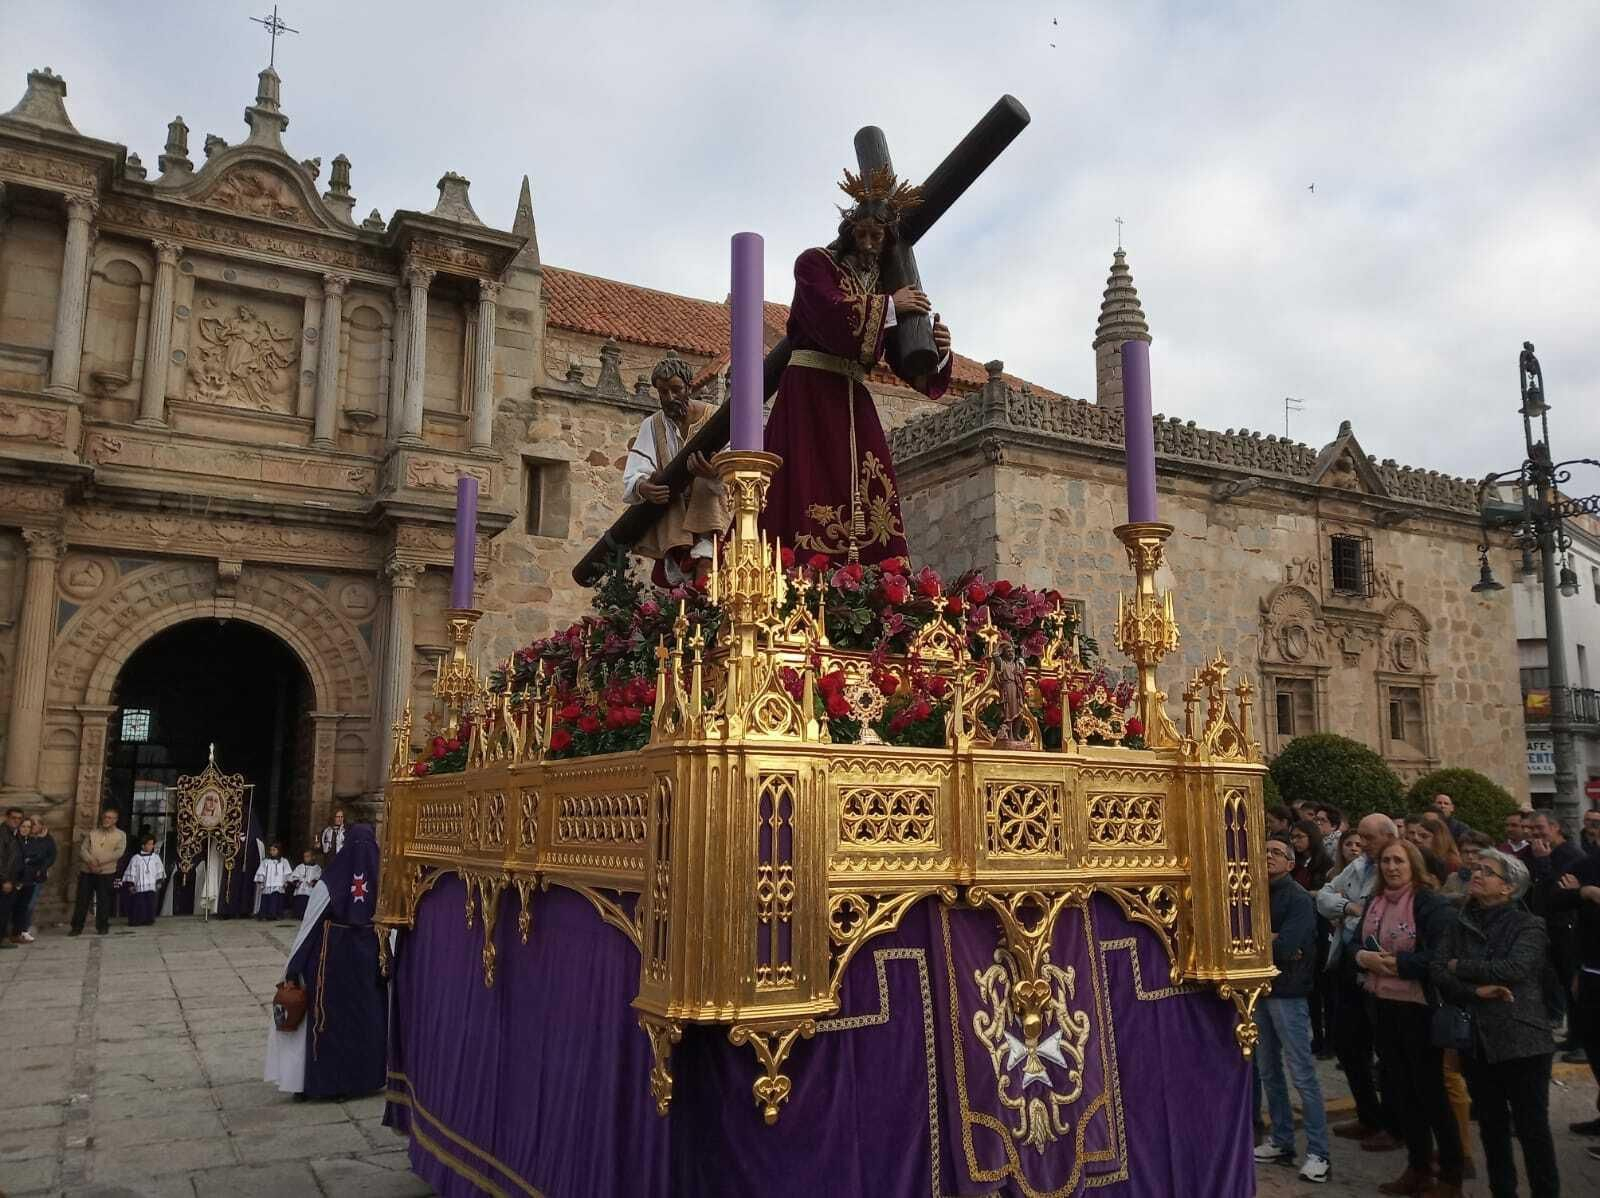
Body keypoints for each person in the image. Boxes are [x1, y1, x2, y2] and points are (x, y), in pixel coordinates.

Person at [759, 166, 953, 566]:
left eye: (877, 237)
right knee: (806, 480)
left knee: (873, 485)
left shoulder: (886, 285)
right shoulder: (814, 264)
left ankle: (878, 584)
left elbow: (907, 364)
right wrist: (890, 307)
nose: (867, 244)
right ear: (848, 231)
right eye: (861, 234)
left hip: (853, 394)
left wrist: (937, 349)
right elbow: (829, 315)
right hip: (808, 391)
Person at [1430, 849, 1559, 1198]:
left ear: (1508, 887)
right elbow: (1437, 969)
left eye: (1487, 871)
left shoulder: (1529, 924)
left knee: (1532, 1128)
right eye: (1476, 869)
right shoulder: (1459, 920)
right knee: (1491, 1125)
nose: (1477, 874)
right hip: (1477, 1037)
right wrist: (1475, 990)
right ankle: (1504, 1191)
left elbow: (1515, 969)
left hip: (1522, 1039)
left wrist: (1462, 967)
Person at [1353, 839, 1464, 1196]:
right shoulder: (1375, 902)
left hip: (1419, 1008)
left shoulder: (1430, 904)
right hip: (1383, 1005)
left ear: (1413, 865)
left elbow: (1439, 957)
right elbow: (1356, 943)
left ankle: (1450, 1174)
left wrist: (1398, 965)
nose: (1391, 867)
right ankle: (1417, 1167)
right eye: (1385, 861)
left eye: (1398, 861)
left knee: (1430, 1092)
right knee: (1400, 1090)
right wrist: (1363, 959)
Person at [264, 824, 387, 1099]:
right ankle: (358, 1080)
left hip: (328, 962)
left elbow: (308, 928)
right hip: (365, 965)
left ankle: (321, 1082)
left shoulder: (330, 882)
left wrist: (293, 967)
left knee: (328, 1023)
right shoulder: (384, 884)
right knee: (358, 1021)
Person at [1316, 813, 1400, 1148]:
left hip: (1377, 964)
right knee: (1349, 1044)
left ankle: (1395, 1126)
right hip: (1348, 960)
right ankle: (1369, 1115)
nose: (1361, 844)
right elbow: (1324, 896)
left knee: (1386, 1050)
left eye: (1368, 838)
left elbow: (1370, 909)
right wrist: (1346, 906)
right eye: (1359, 838)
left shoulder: (1393, 865)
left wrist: (1349, 908)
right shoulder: (1359, 866)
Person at [1252, 836, 1332, 1183]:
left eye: (1277, 853)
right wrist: (1267, 939)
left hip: (1289, 993)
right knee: (1268, 1070)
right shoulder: (1252, 891)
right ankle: (1282, 1140)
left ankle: (1318, 1152)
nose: (1269, 856)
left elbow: (1287, 947)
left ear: (1290, 863)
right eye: (1265, 851)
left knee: (1301, 1073)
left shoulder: (1298, 898)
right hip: (1263, 990)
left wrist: (1262, 941)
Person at [621, 352, 728, 586]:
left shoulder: (715, 417)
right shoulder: (653, 425)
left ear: (689, 387)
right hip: (674, 516)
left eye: (676, 389)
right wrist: (644, 487)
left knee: (707, 566)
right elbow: (636, 471)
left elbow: (734, 464)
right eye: (663, 392)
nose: (670, 397)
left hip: (714, 509)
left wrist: (713, 472)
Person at [1553, 850, 1600, 1139]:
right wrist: (1587, 891)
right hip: (1590, 973)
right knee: (1595, 1048)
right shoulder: (1589, 863)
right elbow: (1553, 899)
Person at [70, 807, 126, 936]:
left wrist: (99, 861)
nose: (106, 820)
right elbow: (84, 849)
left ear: (115, 820)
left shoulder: (120, 835)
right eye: (105, 817)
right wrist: (91, 862)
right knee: (82, 900)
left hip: (106, 872)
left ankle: (102, 926)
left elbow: (118, 852)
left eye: (110, 818)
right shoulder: (93, 833)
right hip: (88, 871)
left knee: (104, 900)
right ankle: (77, 927)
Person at [16, 815, 56, 942]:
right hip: (21, 876)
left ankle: (24, 929)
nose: (32, 826)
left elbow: (50, 856)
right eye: (29, 824)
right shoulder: (22, 838)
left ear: (41, 825)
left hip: (36, 877)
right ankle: (17, 930)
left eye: (34, 824)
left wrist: (42, 868)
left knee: (29, 904)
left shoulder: (47, 839)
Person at [120, 834, 166, 927]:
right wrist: (131, 884)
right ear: (143, 845)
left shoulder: (155, 857)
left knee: (151, 903)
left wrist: (159, 881)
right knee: (139, 903)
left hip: (151, 886)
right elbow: (131, 871)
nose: (151, 846)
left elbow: (159, 870)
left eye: (152, 844)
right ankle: (137, 920)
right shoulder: (136, 858)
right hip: (140, 886)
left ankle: (149, 919)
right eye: (148, 844)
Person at [0, 808, 21, 950]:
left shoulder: (13, 834)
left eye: (19, 818)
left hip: (12, 879)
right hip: (5, 880)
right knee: (2, 910)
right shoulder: (3, 834)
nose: (16, 821)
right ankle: (2, 939)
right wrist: (4, 880)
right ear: (6, 817)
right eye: (14, 817)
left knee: (6, 910)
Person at [255, 842, 292, 920]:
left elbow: (287, 872)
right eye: (271, 850)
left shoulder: (284, 861)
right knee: (267, 899)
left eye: (274, 850)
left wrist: (286, 881)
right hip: (268, 885)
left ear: (279, 851)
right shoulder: (266, 861)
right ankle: (265, 914)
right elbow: (261, 872)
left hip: (279, 885)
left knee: (277, 899)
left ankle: (277, 915)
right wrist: (261, 880)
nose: (272, 852)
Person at [288, 849, 322, 921]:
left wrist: (313, 882)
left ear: (313, 857)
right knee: (299, 903)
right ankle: (298, 915)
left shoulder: (317, 868)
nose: (306, 858)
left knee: (308, 904)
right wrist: (296, 882)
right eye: (304, 857)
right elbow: (293, 876)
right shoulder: (300, 866)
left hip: (310, 890)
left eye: (308, 856)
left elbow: (319, 876)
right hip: (300, 889)